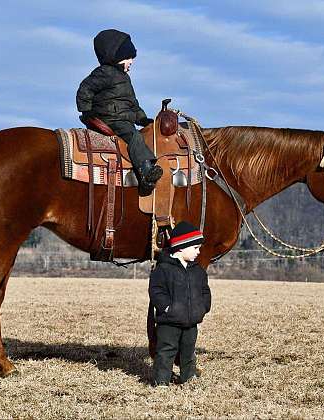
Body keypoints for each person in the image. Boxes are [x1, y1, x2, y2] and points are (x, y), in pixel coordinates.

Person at [76, 29, 163, 196]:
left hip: (122, 118)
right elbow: (85, 89)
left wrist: (142, 118)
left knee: (139, 132)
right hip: (110, 118)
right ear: (116, 56)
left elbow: (132, 104)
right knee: (134, 137)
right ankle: (146, 172)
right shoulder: (105, 73)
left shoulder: (124, 78)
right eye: (129, 57)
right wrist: (86, 111)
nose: (132, 61)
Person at [148, 221, 211, 386]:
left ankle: (188, 379)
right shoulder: (163, 269)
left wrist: (203, 308)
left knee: (188, 352)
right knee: (165, 352)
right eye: (196, 248)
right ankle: (161, 381)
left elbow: (205, 291)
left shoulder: (198, 271)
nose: (199, 252)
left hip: (191, 322)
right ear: (182, 247)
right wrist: (167, 308)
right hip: (169, 321)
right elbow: (156, 291)